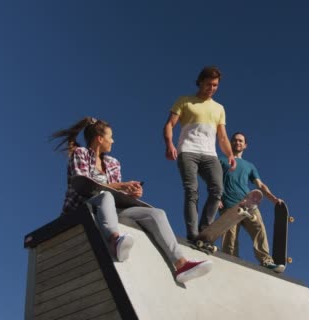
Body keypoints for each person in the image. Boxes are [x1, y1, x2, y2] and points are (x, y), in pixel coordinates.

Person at [52, 117, 212, 283]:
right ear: (100, 139)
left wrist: (131, 194)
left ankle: (181, 263)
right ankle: (114, 240)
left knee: (156, 213)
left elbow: (115, 191)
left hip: (110, 208)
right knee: (105, 196)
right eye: (110, 137)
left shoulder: (113, 163)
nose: (113, 141)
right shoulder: (81, 154)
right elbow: (84, 183)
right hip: (82, 206)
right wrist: (121, 185)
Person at [163, 66, 236, 242]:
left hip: (210, 154)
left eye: (215, 85)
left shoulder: (219, 108)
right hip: (188, 151)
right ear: (201, 81)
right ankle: (192, 232)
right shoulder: (185, 100)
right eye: (209, 84)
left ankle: (204, 229)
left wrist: (230, 155)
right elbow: (169, 125)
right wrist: (169, 144)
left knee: (217, 189)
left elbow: (223, 136)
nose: (211, 88)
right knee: (192, 191)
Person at [219, 132, 285, 273]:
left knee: (259, 229)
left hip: (247, 202)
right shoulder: (222, 161)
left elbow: (260, 185)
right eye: (235, 140)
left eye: (241, 141)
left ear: (245, 145)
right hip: (229, 205)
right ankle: (230, 264)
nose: (238, 143)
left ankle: (266, 261)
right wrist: (216, 197)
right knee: (230, 241)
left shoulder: (249, 166)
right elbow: (213, 179)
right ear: (230, 143)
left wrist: (273, 198)